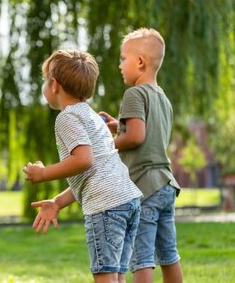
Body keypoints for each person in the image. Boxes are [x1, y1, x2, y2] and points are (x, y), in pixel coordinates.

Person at [23, 49, 143, 283]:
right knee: (117, 275)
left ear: (54, 85)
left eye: (45, 80)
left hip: (107, 207)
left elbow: (83, 160)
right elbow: (92, 173)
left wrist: (43, 173)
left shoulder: (67, 118)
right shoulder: (90, 115)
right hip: (128, 200)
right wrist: (57, 202)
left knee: (105, 275)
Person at [99, 28, 183, 283]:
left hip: (145, 187)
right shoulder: (162, 98)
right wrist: (118, 125)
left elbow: (136, 137)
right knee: (169, 253)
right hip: (166, 184)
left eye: (123, 58)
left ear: (140, 62)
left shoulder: (134, 94)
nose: (119, 65)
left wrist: (109, 144)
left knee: (141, 256)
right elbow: (148, 131)